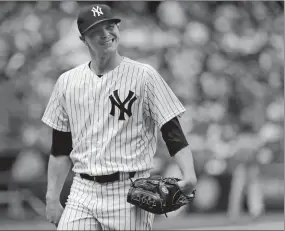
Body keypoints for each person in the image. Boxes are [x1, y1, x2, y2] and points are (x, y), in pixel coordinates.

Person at [42, 4, 197, 230]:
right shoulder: (67, 82)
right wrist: (52, 198)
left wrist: (189, 174)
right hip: (82, 190)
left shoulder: (144, 75)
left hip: (129, 191)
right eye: (97, 30)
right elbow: (60, 148)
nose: (106, 33)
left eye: (111, 25)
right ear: (83, 39)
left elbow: (172, 132)